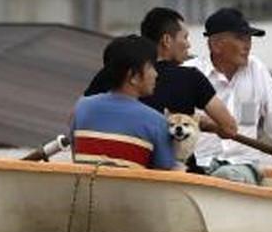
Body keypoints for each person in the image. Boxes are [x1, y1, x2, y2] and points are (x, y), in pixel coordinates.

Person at [184, 7, 272, 184]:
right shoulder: (189, 72)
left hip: (242, 166)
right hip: (197, 164)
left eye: (249, 38)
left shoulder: (256, 69)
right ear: (216, 45)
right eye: (240, 38)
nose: (248, 45)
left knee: (227, 177)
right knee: (201, 177)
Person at [84, 8, 238, 141]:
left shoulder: (112, 72)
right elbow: (229, 128)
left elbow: (79, 116)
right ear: (166, 40)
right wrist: (194, 122)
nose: (188, 45)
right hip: (175, 170)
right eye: (185, 37)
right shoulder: (191, 78)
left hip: (120, 165)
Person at [69, 35, 176, 170]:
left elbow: (76, 157)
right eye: (151, 67)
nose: (156, 74)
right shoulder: (157, 122)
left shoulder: (82, 107)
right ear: (134, 77)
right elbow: (165, 176)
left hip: (85, 189)